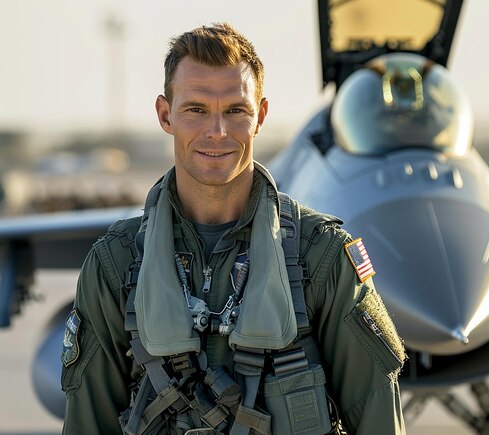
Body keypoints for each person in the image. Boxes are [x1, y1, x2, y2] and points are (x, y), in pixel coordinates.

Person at [61, 23, 406, 435]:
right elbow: (87, 422)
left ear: (259, 116)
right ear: (165, 114)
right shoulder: (115, 264)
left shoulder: (324, 257)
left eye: (235, 111)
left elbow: (377, 417)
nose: (217, 132)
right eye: (196, 109)